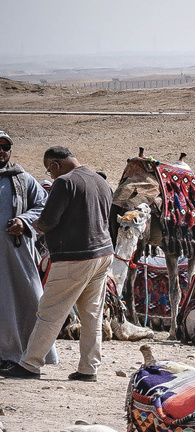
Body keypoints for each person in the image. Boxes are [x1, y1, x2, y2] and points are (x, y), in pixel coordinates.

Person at [4, 147, 116, 382]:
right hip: (103, 254)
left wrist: (30, 226)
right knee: (92, 314)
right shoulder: (100, 180)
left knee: (50, 312)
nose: (50, 175)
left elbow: (48, 220)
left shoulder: (65, 183)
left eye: (49, 170)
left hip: (74, 257)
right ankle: (89, 368)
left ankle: (30, 364)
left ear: (55, 165)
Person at [0, 134, 45, 372]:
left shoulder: (23, 178)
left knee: (27, 299)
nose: (1, 151)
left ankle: (27, 356)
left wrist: (23, 220)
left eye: (5, 147)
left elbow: (43, 204)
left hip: (15, 252)